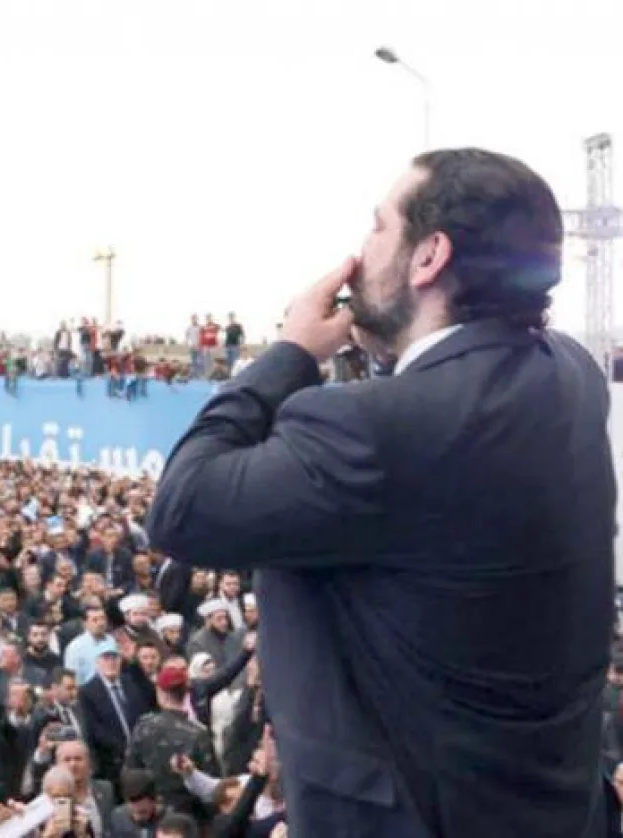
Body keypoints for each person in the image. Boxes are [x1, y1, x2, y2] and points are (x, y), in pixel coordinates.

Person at [146, 148, 614, 837]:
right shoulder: (572, 376)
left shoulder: (370, 431)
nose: (358, 255)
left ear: (429, 257)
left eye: (377, 229)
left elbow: (181, 507)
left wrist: (290, 355)